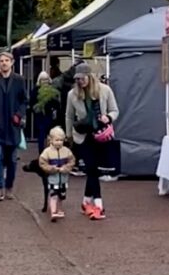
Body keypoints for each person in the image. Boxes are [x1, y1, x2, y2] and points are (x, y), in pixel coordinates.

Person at [66, 63, 119, 221]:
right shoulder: (72, 94)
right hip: (83, 136)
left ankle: (85, 201)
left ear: (90, 77)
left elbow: (115, 110)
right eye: (77, 79)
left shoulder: (105, 90)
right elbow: (69, 115)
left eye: (82, 78)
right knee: (91, 169)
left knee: (93, 169)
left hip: (100, 134)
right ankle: (98, 205)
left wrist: (108, 118)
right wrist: (68, 136)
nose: (80, 82)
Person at [0, 51, 27, 202]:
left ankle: (9, 187)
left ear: (12, 62)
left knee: (12, 160)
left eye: (6, 60)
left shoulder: (19, 80)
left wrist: (19, 115)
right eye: (1, 61)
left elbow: (24, 100)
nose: (4, 63)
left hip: (13, 126)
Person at [39, 126, 75, 221]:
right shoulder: (47, 152)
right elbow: (42, 163)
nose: (59, 142)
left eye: (61, 140)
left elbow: (72, 161)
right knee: (53, 194)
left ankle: (59, 209)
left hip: (63, 178)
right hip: (53, 178)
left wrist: (66, 168)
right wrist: (51, 169)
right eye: (57, 140)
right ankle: (53, 211)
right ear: (51, 140)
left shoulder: (66, 151)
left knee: (61, 196)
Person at [30, 71, 60, 153]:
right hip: (39, 116)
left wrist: (53, 108)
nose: (44, 82)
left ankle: (51, 151)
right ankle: (41, 152)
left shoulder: (52, 90)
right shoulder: (35, 90)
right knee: (41, 134)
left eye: (46, 79)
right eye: (43, 80)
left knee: (51, 134)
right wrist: (37, 109)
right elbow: (31, 103)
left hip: (49, 115)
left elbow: (57, 103)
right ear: (39, 80)